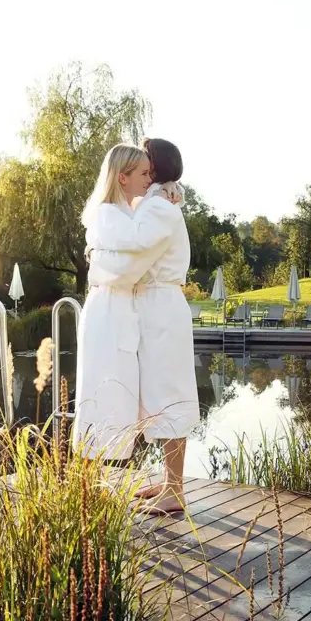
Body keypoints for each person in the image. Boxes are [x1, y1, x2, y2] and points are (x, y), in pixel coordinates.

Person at [86, 138, 200, 514]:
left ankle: (175, 491)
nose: (144, 171)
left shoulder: (159, 208)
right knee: (155, 395)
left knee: (169, 393)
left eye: (146, 163)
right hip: (150, 307)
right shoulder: (154, 204)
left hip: (160, 307)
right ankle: (168, 482)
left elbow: (134, 254)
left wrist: (95, 258)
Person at [72, 143, 153, 462]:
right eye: (144, 173)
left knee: (119, 396)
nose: (149, 180)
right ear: (122, 177)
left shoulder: (126, 213)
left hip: (119, 311)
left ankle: (106, 473)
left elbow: (126, 264)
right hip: (107, 314)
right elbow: (135, 255)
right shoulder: (108, 214)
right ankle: (90, 478)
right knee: (103, 392)